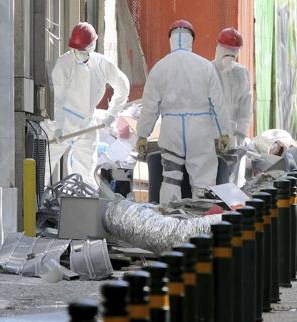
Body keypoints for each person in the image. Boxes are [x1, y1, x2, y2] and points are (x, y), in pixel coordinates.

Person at [135, 19, 231, 203]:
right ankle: (201, 225)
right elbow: (218, 103)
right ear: (191, 40)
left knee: (170, 179)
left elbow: (149, 107)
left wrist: (142, 135)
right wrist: (224, 133)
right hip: (200, 130)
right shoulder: (205, 66)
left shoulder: (159, 68)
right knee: (203, 183)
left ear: (170, 38)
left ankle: (169, 224)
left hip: (171, 130)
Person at [46, 22, 129, 189]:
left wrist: (111, 115)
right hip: (61, 121)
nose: (79, 54)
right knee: (44, 169)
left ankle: (82, 211)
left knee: (84, 177)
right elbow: (58, 98)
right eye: (76, 50)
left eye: (83, 50)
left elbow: (123, 87)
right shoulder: (64, 64)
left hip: (87, 125)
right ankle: (34, 208)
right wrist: (59, 126)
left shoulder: (102, 65)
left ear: (92, 46)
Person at [212, 27, 252, 147]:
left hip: (233, 136)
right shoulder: (207, 71)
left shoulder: (242, 74)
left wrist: (240, 135)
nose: (230, 53)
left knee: (232, 163)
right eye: (226, 49)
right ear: (218, 48)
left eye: (234, 50)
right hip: (210, 137)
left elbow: (245, 109)